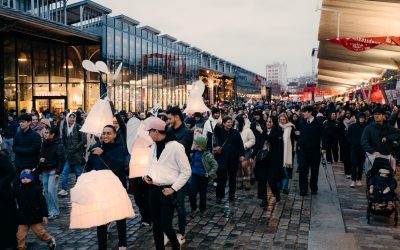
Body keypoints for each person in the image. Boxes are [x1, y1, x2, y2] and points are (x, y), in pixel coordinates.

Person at [143, 116, 191, 250]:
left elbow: (186, 171)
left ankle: (175, 245)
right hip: (153, 189)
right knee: (156, 225)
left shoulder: (176, 147)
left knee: (165, 224)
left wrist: (174, 188)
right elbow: (149, 165)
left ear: (156, 131)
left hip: (167, 190)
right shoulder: (153, 146)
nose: (148, 134)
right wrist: (145, 176)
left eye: (149, 131)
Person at [85, 125, 128, 250]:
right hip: (101, 188)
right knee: (101, 219)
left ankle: (123, 244)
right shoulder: (97, 147)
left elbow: (119, 166)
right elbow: (89, 167)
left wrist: (103, 154)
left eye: (109, 133)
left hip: (116, 187)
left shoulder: (120, 148)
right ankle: (102, 246)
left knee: (120, 217)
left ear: (115, 135)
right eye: (103, 133)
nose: (105, 136)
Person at [166, 107, 193, 243]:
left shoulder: (187, 132)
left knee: (180, 205)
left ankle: (181, 233)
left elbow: (182, 148)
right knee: (168, 205)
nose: (168, 121)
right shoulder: (169, 130)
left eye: (170, 118)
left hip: (181, 173)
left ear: (177, 117)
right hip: (168, 171)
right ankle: (168, 232)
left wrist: (166, 139)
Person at [14, 169, 56, 250]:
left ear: (31, 178)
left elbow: (43, 203)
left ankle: (50, 240)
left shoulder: (37, 189)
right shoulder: (18, 189)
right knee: (20, 236)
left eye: (27, 177)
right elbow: (10, 196)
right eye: (23, 178)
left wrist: (44, 215)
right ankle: (21, 248)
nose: (25, 179)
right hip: (23, 217)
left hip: (35, 216)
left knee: (40, 233)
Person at [213, 116, 245, 203]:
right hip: (222, 159)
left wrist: (242, 154)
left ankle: (231, 196)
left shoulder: (235, 132)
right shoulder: (220, 131)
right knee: (221, 179)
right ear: (223, 123)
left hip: (233, 159)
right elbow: (215, 131)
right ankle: (219, 196)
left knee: (232, 180)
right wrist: (217, 125)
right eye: (228, 122)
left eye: (231, 122)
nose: (230, 124)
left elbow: (240, 144)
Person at [38, 127, 65, 219]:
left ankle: (54, 211)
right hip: (45, 170)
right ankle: (49, 210)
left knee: (51, 191)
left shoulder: (58, 144)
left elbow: (61, 159)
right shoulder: (44, 143)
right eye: (44, 132)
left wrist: (58, 172)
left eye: (47, 132)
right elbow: (41, 155)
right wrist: (41, 159)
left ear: (52, 134)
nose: (45, 134)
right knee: (46, 191)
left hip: (53, 170)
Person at [296, 106, 323, 196]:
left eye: (305, 112)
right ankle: (303, 189)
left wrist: (323, 148)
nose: (303, 114)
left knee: (314, 170)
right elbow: (296, 132)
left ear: (310, 112)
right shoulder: (302, 123)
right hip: (303, 151)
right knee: (303, 170)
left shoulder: (319, 122)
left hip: (315, 151)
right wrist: (298, 135)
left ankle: (314, 188)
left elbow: (324, 135)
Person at [189, 136, 218, 217]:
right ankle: (193, 208)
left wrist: (209, 174)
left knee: (203, 194)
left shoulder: (207, 155)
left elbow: (215, 165)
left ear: (199, 146)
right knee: (192, 193)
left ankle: (203, 210)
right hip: (194, 176)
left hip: (203, 177)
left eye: (195, 143)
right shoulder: (193, 153)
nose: (193, 145)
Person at [59, 113, 86, 196]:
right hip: (67, 154)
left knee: (78, 172)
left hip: (77, 154)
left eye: (73, 118)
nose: (72, 119)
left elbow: (83, 140)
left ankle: (79, 188)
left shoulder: (78, 127)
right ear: (68, 118)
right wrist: (65, 148)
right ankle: (64, 189)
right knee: (65, 171)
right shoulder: (65, 127)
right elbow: (63, 139)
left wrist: (76, 148)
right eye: (70, 118)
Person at [0, 149, 17, 249]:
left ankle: (9, 242)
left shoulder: (2, 158)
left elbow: (12, 173)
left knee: (6, 219)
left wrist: (1, 184)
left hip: (3, 194)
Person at [235, 115, 255, 190]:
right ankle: (239, 181)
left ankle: (247, 180)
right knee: (238, 166)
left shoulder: (248, 130)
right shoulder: (235, 129)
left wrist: (245, 146)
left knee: (244, 165)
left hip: (245, 150)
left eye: (236, 121)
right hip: (237, 151)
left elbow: (252, 140)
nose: (235, 122)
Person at [346, 112, 367, 187]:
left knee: (360, 164)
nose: (361, 119)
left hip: (362, 149)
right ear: (358, 118)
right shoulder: (352, 126)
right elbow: (348, 136)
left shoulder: (366, 127)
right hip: (354, 148)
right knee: (354, 164)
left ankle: (359, 179)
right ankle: (353, 180)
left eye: (363, 118)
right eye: (360, 117)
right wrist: (352, 142)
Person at [278, 113, 295, 194]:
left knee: (285, 170)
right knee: (278, 169)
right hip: (278, 151)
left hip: (287, 151)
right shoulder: (277, 127)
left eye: (283, 119)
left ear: (286, 120)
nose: (282, 121)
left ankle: (285, 187)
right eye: (281, 119)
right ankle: (279, 186)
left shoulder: (290, 127)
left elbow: (293, 139)